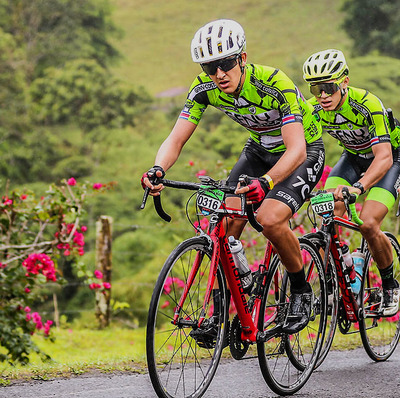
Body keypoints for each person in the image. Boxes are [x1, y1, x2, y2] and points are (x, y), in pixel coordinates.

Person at [142, 19, 325, 334]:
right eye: (209, 68)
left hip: (302, 152)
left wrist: (266, 183)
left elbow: (296, 149)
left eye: (226, 64)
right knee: (223, 226)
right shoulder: (204, 89)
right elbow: (175, 139)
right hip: (257, 151)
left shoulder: (274, 83)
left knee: (269, 219)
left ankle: (301, 290)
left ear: (242, 58)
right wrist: (158, 168)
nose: (219, 75)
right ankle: (227, 307)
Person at [303, 49, 400, 315]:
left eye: (328, 87)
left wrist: (358, 188)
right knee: (328, 213)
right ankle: (346, 269)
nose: (322, 95)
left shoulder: (368, 104)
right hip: (353, 158)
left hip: (390, 159)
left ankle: (390, 285)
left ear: (344, 82)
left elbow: (384, 157)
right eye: (316, 89)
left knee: (368, 223)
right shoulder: (313, 110)